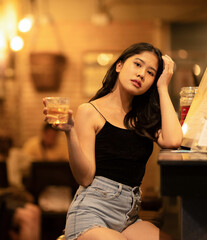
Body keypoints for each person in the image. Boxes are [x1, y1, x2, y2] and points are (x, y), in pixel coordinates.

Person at [43, 42, 183, 240]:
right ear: (119, 66)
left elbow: (174, 140)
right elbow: (84, 177)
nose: (142, 74)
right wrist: (69, 132)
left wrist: (163, 87)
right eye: (137, 64)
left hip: (128, 217)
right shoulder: (90, 111)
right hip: (91, 214)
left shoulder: (142, 118)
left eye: (151, 73)